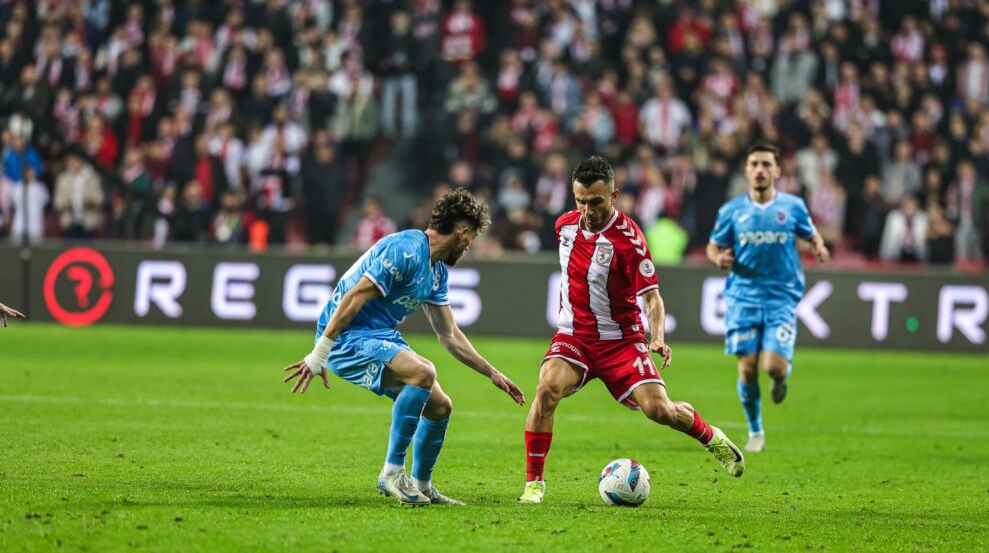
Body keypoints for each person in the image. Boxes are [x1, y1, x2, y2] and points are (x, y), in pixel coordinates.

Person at [518, 157, 745, 505]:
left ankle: (711, 436)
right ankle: (534, 484)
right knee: (546, 388)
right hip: (574, 336)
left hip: (621, 342)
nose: (588, 210)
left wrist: (657, 337)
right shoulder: (564, 226)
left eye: (596, 201)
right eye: (580, 201)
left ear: (614, 195)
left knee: (660, 411)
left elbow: (653, 299)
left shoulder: (630, 241)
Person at [283, 188, 524, 506]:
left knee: (440, 407)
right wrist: (320, 353)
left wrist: (492, 373)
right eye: (471, 240)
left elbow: (448, 333)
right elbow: (354, 296)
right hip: (346, 337)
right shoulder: (406, 249)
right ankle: (392, 473)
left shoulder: (436, 271)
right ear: (461, 232)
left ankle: (422, 484)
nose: (468, 248)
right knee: (423, 372)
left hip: (379, 335)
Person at [706, 142, 830, 454]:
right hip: (743, 297)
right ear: (747, 171)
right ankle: (755, 431)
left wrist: (818, 246)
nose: (760, 170)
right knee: (747, 368)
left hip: (780, 297)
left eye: (766, 164)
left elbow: (811, 233)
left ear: (777, 170)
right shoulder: (731, 210)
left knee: (772, 367)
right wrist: (718, 259)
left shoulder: (793, 207)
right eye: (754, 164)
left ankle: (780, 378)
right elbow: (713, 246)